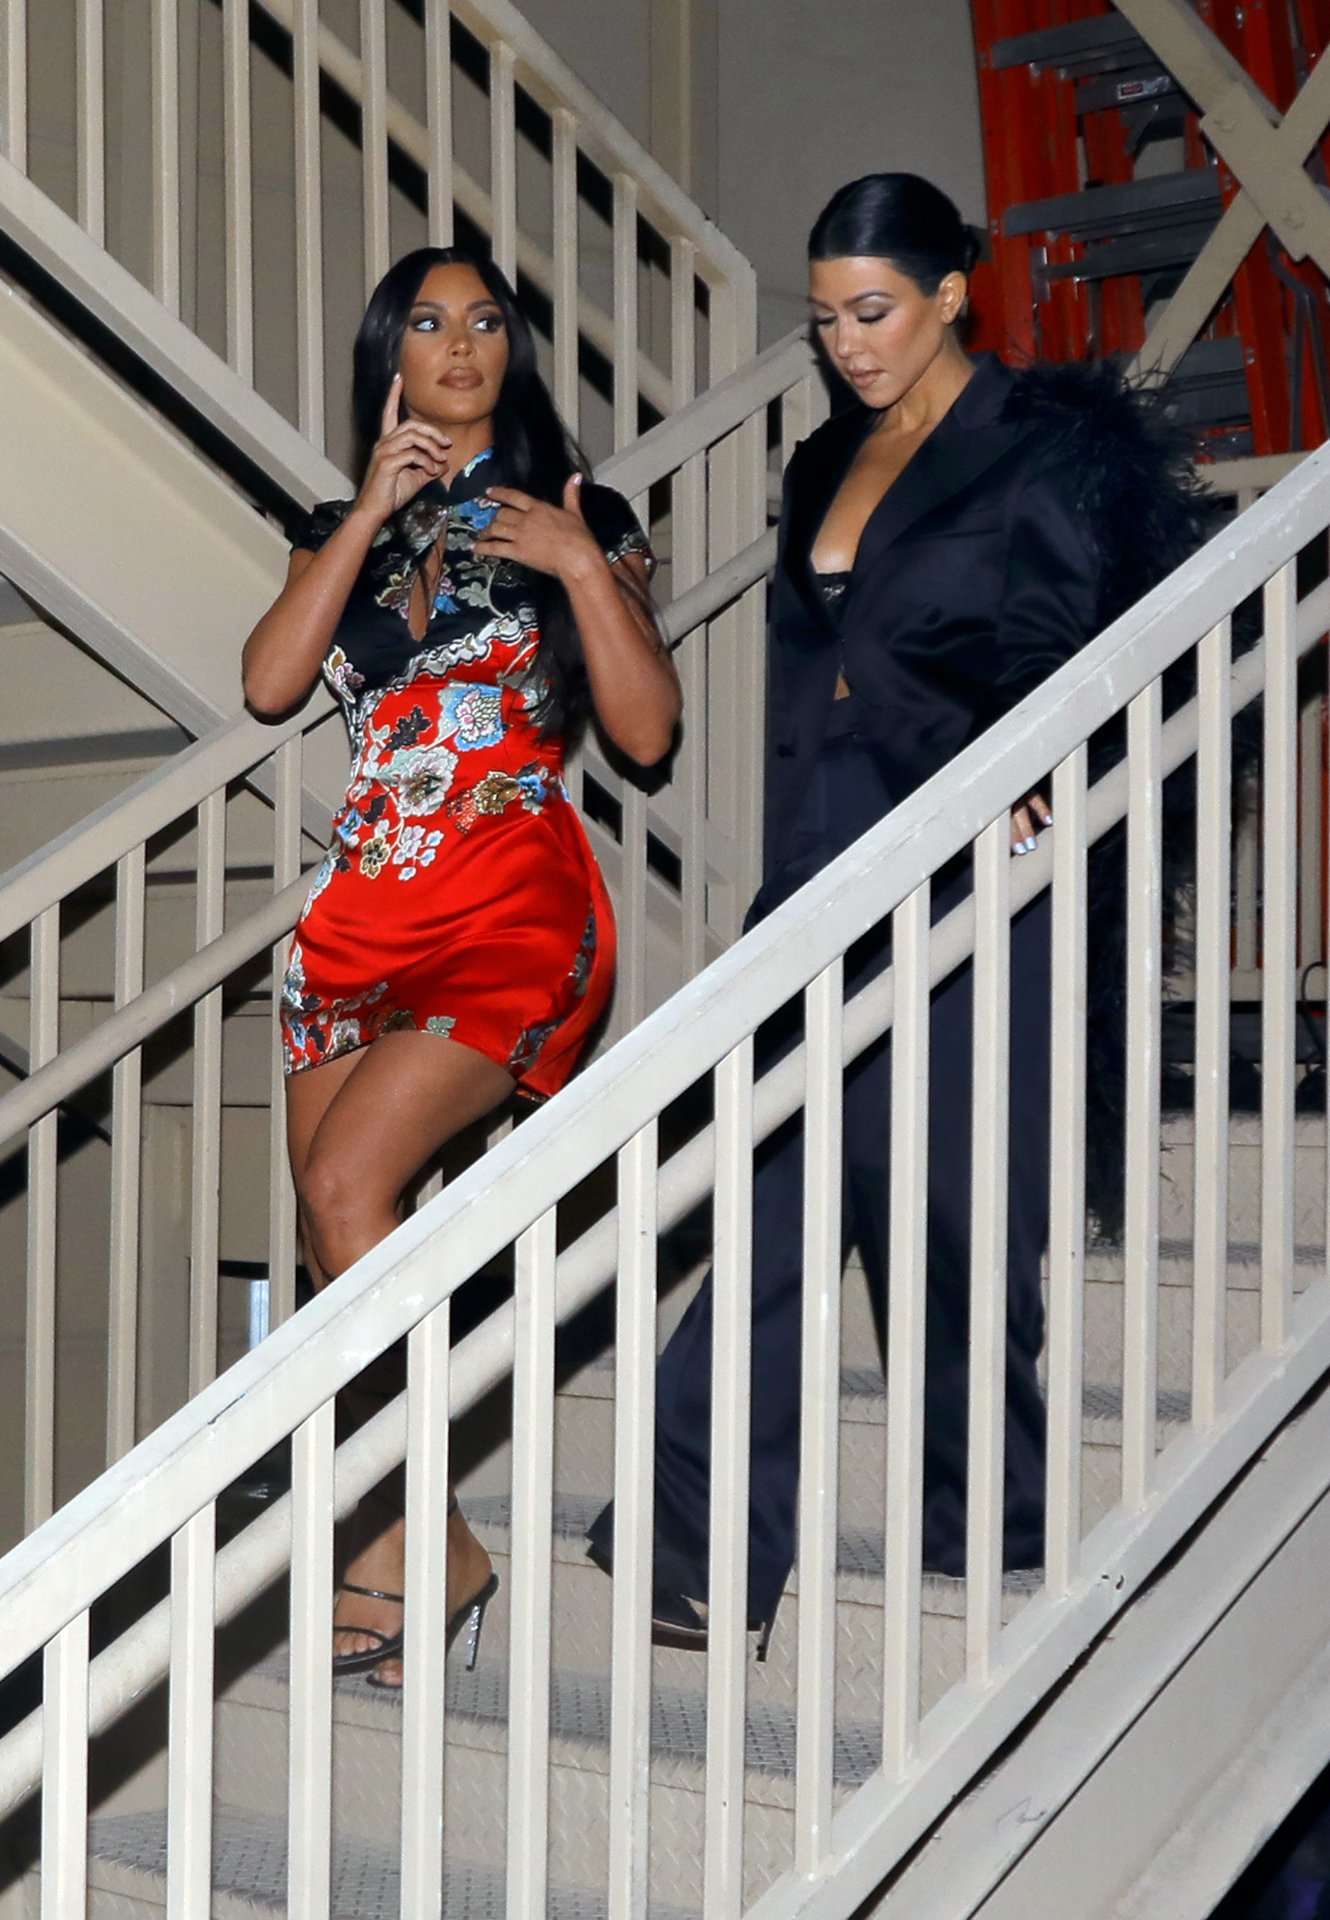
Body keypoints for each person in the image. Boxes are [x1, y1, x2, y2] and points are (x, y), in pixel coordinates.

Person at [587, 172, 1207, 1646]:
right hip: (820, 871)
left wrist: (1032, 764)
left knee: (950, 1229)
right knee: (770, 1202)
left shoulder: (1038, 451)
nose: (847, 344)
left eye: (872, 312)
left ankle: (983, 1535)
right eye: (824, 320)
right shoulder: (820, 462)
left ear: (950, 295)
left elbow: (1065, 645)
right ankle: (698, 1541)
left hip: (971, 871)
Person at [243, 246, 680, 1687]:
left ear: (512, 348)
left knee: (344, 1189)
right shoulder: (342, 523)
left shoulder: (577, 509)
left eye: (485, 321)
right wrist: (369, 510)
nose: (460, 344)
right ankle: (398, 1543)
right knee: (335, 1252)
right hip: (355, 921)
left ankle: (430, 1541)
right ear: (390, 354)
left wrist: (578, 564)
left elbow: (646, 731)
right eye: (427, 323)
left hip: (505, 900)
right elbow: (269, 682)